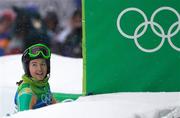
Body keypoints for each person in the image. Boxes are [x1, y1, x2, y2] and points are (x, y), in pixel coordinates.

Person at [14, 43, 56, 111]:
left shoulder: (43, 85)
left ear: (47, 67)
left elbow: (54, 102)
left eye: (43, 64)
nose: (39, 69)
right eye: (34, 65)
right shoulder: (27, 93)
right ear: (27, 68)